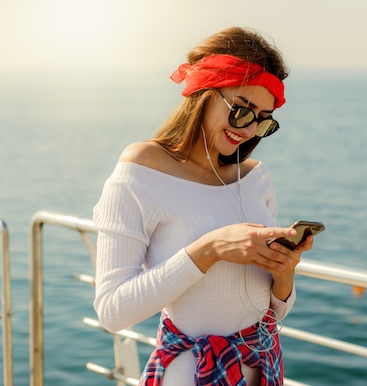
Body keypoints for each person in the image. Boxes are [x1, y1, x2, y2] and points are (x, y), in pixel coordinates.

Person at [93, 26, 314, 386]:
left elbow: (275, 312)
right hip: (190, 373)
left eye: (263, 120)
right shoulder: (141, 170)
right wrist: (210, 249)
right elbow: (112, 312)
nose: (248, 129)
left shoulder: (257, 178)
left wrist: (284, 272)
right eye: (242, 111)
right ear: (204, 92)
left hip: (263, 369)